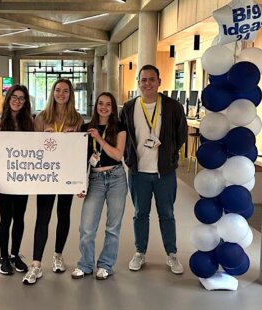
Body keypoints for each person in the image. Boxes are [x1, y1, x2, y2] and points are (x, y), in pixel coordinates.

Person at [119, 64, 187, 274]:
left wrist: (168, 156)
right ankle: (140, 252)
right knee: (140, 214)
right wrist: (129, 159)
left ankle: (172, 254)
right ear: (138, 83)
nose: (147, 83)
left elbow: (181, 135)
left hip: (164, 173)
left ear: (159, 81)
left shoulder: (173, 107)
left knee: (167, 213)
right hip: (138, 173)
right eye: (143, 80)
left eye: (151, 79)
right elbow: (122, 136)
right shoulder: (129, 108)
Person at [23, 78, 84, 285]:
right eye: (57, 90)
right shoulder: (41, 118)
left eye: (65, 91)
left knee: (64, 215)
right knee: (43, 216)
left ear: (70, 95)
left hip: (66, 175)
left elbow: (79, 150)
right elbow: (33, 148)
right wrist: (43, 137)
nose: (61, 94)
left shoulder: (77, 119)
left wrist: (73, 137)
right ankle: (36, 264)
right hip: (47, 175)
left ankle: (58, 255)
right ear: (52, 92)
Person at [72, 92, 127, 281]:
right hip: (95, 180)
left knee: (113, 227)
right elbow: (79, 157)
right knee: (87, 227)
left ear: (113, 109)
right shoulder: (86, 128)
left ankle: (106, 265)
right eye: (100, 104)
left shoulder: (119, 127)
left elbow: (118, 155)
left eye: (108, 104)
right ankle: (85, 264)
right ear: (96, 106)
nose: (103, 107)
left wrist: (100, 139)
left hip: (116, 178)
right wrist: (79, 183)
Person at [0, 85, 34, 275]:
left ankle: (15, 255)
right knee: (5, 217)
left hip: (22, 179)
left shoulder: (30, 124)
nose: (17, 101)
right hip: (3, 179)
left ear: (25, 103)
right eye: (14, 97)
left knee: (19, 218)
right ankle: (3, 257)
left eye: (22, 98)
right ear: (8, 99)